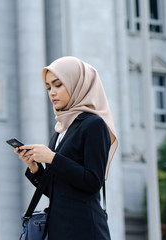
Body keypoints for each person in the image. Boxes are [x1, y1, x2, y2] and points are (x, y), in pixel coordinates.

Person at [14, 56, 118, 239]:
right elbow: (57, 191)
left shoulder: (93, 124)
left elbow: (93, 181)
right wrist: (34, 167)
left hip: (85, 230)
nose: (52, 92)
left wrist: (52, 158)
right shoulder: (60, 131)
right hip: (59, 230)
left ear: (76, 84)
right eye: (48, 87)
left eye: (58, 85)